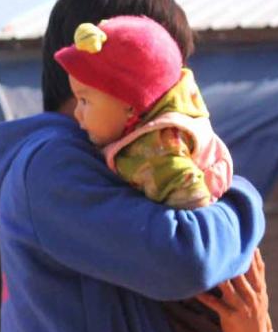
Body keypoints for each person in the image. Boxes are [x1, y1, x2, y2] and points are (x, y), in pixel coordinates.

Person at [0, 0, 268, 332]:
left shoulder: (128, 170)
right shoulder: (50, 166)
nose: (174, 104)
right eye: (164, 84)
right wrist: (243, 198)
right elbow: (189, 259)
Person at [54, 15, 233, 208]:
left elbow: (193, 207)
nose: (77, 113)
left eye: (84, 101)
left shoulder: (156, 150)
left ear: (130, 107)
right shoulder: (146, 131)